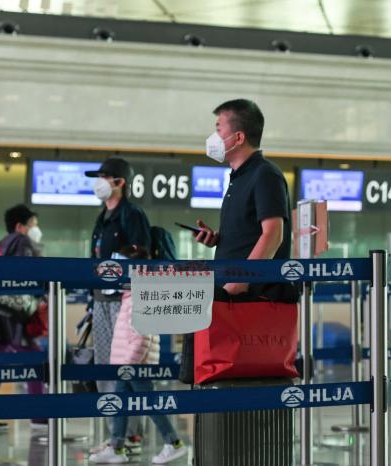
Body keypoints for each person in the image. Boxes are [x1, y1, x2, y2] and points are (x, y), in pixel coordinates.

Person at [89, 246, 186, 465]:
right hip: (127, 364)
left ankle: (173, 442)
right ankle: (117, 447)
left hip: (134, 365)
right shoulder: (131, 295)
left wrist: (129, 364)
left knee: (149, 403)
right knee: (121, 403)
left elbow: (143, 337)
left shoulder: (139, 296)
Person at [195, 98, 293, 296]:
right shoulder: (238, 177)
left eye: (219, 129)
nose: (214, 137)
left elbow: (273, 234)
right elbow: (250, 234)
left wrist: (241, 280)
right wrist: (220, 239)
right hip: (231, 293)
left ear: (238, 137)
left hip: (255, 296)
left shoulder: (265, 174)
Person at [85, 157, 151, 449]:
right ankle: (115, 435)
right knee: (105, 366)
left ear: (119, 182)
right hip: (101, 299)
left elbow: (142, 253)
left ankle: (131, 433)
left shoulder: (132, 215)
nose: (98, 182)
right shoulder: (102, 218)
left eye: (103, 177)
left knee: (126, 364)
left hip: (124, 299)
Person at [0, 204, 47, 430]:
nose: (36, 229)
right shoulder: (22, 241)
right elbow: (26, 272)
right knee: (33, 357)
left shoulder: (2, 243)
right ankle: (38, 414)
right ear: (20, 226)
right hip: (13, 311)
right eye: (33, 224)